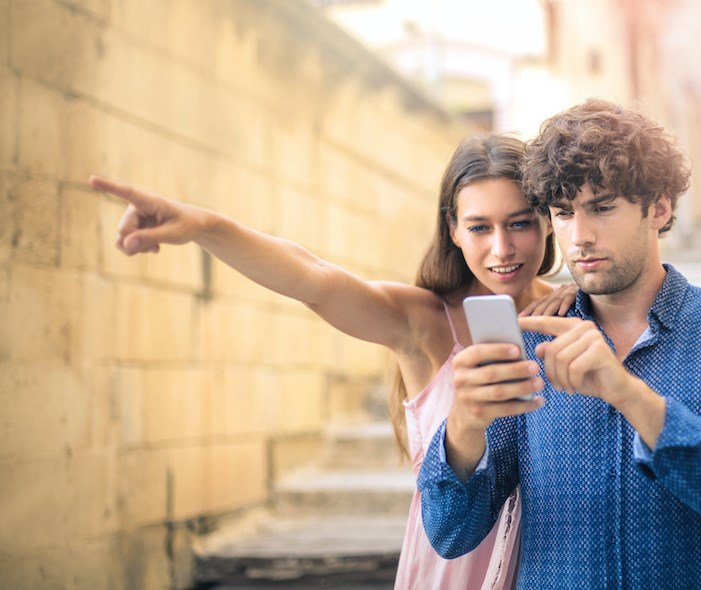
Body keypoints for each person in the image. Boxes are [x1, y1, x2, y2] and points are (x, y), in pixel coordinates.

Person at [90, 133, 576, 590]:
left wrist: (583, 295)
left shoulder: (576, 310)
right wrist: (204, 227)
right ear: (452, 229)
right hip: (452, 566)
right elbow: (313, 277)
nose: (502, 248)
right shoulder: (423, 322)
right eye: (479, 227)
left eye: (519, 223)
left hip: (553, 559)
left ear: (547, 219)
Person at [418, 99, 701, 589]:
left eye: (602, 207)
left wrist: (628, 394)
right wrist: (464, 427)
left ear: (659, 207)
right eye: (563, 213)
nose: (579, 236)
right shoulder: (528, 343)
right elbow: (450, 533)